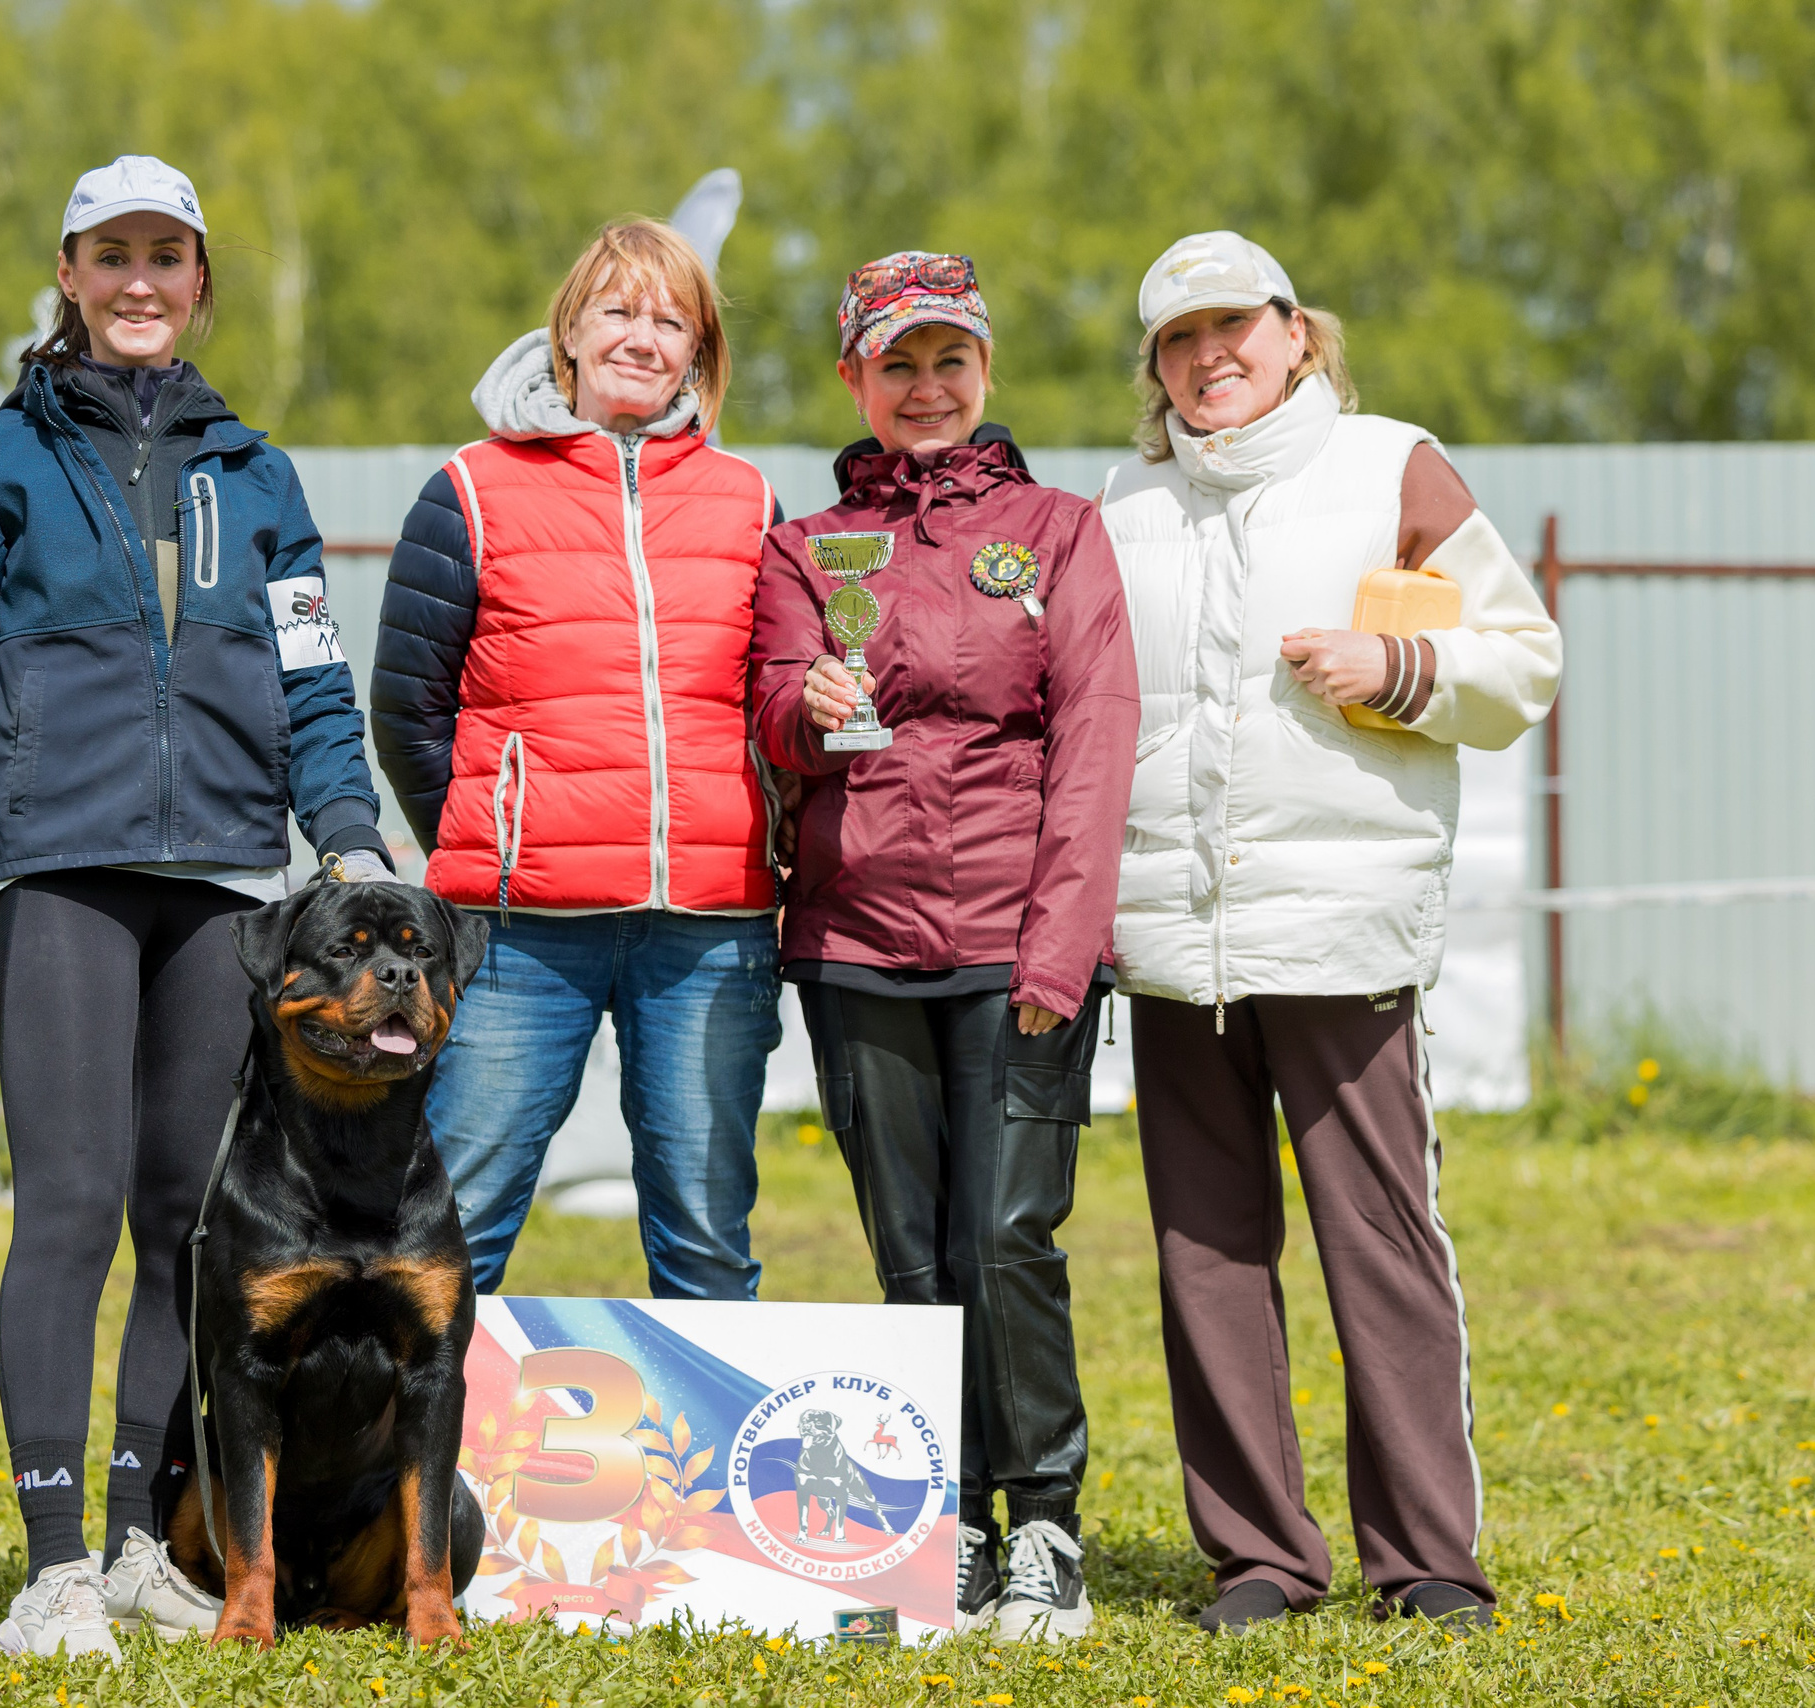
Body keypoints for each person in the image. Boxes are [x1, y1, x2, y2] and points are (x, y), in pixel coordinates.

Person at [0, 155, 393, 1663]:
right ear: (68, 271)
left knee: (187, 1224)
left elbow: (311, 676)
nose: (139, 284)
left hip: (228, 882)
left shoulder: (263, 473)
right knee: (73, 1208)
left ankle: (128, 1543)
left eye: (166, 257)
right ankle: (48, 1571)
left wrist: (348, 839)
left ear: (201, 279)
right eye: (111, 256)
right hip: (63, 873)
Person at [1101, 231, 1561, 1634]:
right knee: (1207, 1258)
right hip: (1176, 943)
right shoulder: (1123, 504)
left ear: (1299, 332)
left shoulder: (1393, 465)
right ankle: (1259, 1558)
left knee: (1381, 1244)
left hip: (1347, 937)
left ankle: (1427, 1560)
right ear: (1156, 367)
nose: (1211, 356)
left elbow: (1523, 662)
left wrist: (1398, 667)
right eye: (1181, 339)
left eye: (1236, 326)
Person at [749, 253, 1139, 1641]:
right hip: (853, 946)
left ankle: (1046, 1528)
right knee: (910, 1250)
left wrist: (1060, 953)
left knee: (1009, 1234)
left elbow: (1096, 752)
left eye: (950, 359)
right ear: (855, 376)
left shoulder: (1061, 530)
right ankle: (950, 1527)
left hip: (1015, 948)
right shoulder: (804, 547)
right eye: (896, 361)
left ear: (986, 373)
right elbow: (779, 714)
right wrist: (811, 699)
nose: (926, 385)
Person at [370, 218, 783, 1301]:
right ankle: (399, 1472)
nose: (643, 337)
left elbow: (774, 699)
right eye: (618, 310)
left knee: (705, 1235)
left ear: (699, 350)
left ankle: (702, 1471)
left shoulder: (751, 503)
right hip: (517, 933)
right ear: (568, 330)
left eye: (671, 319)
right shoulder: (469, 487)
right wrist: (492, 840)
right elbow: (406, 706)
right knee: (454, 1228)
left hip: (707, 929)